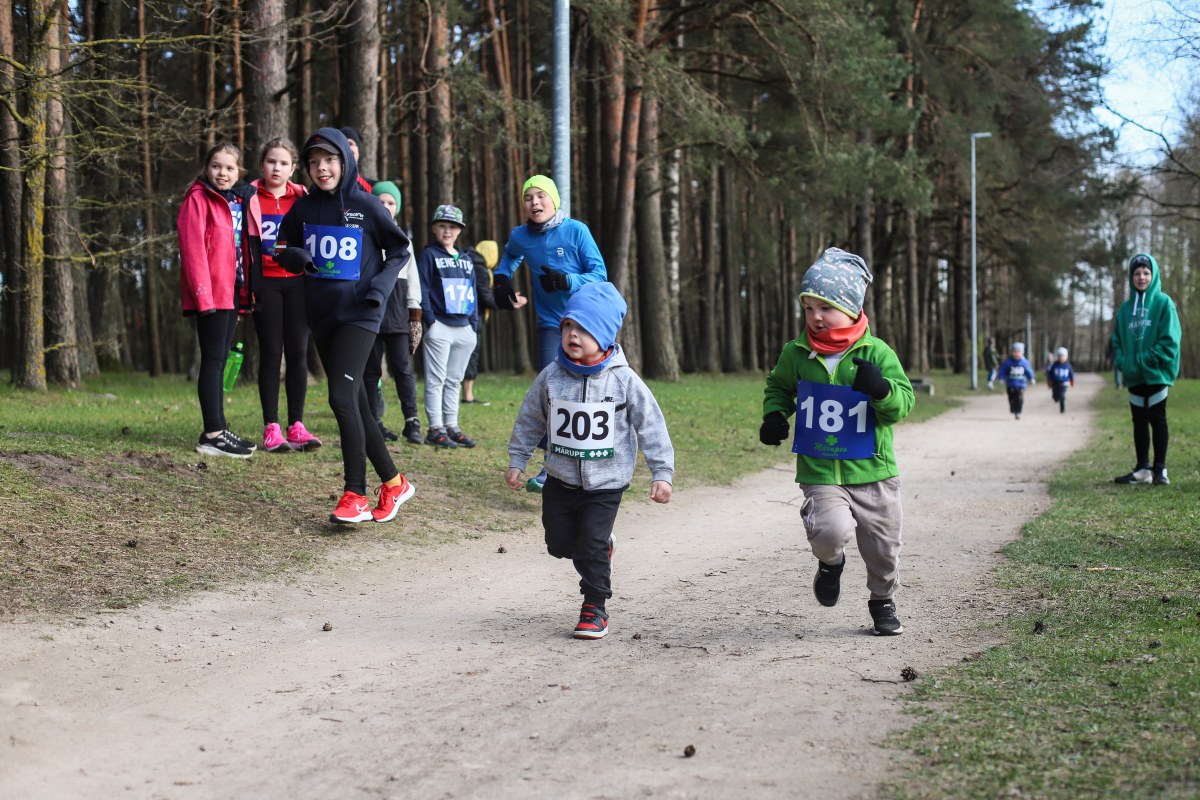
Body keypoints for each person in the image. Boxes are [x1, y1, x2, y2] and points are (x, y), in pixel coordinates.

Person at [505, 282, 674, 639]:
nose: (573, 335)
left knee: (591, 546)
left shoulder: (624, 380)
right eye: (568, 325)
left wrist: (662, 472)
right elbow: (530, 419)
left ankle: (595, 607)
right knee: (559, 544)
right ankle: (599, 547)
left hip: (606, 485)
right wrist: (518, 459)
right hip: (559, 480)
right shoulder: (550, 376)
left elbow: (651, 425)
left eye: (584, 329)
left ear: (606, 336)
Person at [759, 248, 914, 637]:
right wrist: (775, 416)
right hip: (821, 468)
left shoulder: (876, 352)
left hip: (874, 469)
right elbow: (778, 387)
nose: (815, 316)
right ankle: (831, 563)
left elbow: (903, 402)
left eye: (825, 307)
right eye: (809, 308)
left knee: (883, 548)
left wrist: (880, 389)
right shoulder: (796, 354)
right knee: (828, 531)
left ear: (850, 307)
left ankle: (882, 600)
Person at [274, 128, 416, 523]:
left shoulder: (367, 205)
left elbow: (400, 249)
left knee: (340, 398)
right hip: (321, 314)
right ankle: (394, 483)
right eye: (315, 162)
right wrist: (298, 258)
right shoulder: (302, 209)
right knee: (353, 402)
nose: (322, 169)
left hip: (362, 312)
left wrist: (379, 289)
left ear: (346, 162)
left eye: (330, 160)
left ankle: (354, 493)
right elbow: (280, 248)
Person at [493, 175, 606, 491]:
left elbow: (600, 274)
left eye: (541, 196)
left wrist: (566, 281)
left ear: (554, 200)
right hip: (550, 324)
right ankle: (550, 468)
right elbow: (510, 255)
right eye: (528, 197)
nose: (535, 203)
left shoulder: (576, 231)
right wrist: (501, 280)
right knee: (551, 391)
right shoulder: (521, 235)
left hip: (586, 322)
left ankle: (588, 465)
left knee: (583, 394)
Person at [178, 142, 258, 459]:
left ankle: (219, 427)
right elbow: (194, 251)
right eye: (216, 166)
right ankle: (211, 435)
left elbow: (235, 253)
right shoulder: (198, 199)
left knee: (221, 360)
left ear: (238, 172)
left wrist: (239, 297)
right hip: (209, 295)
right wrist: (204, 298)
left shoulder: (232, 200)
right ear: (206, 168)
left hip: (229, 294)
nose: (222, 172)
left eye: (229, 168)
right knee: (212, 361)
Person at [246, 137, 322, 453]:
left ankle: (296, 426)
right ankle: (272, 427)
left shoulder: (303, 197)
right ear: (262, 164)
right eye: (270, 161)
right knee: (271, 353)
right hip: (267, 283)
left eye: (283, 163)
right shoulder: (248, 197)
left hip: (298, 283)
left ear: (293, 168)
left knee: (297, 353)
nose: (276, 168)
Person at [361, 180, 425, 445]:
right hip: (371, 310)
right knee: (370, 370)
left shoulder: (404, 240)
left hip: (398, 312)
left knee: (402, 369)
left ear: (397, 208)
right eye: (381, 201)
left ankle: (412, 421)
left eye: (390, 203)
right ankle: (373, 422)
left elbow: (413, 279)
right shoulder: (365, 235)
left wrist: (415, 317)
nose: (385, 207)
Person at [1112, 253, 1180, 486]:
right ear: (1131, 277)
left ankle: (1159, 470)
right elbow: (1117, 343)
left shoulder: (1163, 302)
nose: (1141, 277)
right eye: (1137, 273)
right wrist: (1126, 363)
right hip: (1134, 375)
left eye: (1146, 273)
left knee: (1157, 418)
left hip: (1157, 372)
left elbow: (1170, 341)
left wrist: (1144, 361)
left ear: (1154, 275)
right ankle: (1143, 469)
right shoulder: (1125, 309)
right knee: (1138, 420)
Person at [417, 205, 481, 449]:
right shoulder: (429, 255)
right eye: (442, 225)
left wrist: (472, 325)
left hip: (464, 327)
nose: (447, 230)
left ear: (459, 231)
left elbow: (473, 291)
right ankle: (435, 428)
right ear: (434, 228)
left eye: (452, 227)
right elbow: (423, 287)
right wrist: (430, 321)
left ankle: (452, 426)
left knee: (454, 379)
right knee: (436, 379)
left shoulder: (465, 259)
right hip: (440, 326)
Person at [461, 239, 502, 406]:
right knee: (471, 355)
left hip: (463, 315)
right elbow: (485, 297)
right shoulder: (480, 268)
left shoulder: (468, 261)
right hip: (473, 317)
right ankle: (467, 396)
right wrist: (506, 303)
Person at [998, 343, 1035, 420]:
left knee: (1019, 398)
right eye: (1015, 352)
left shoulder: (1024, 362)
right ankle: (1013, 407)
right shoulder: (1008, 362)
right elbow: (1003, 370)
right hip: (1010, 384)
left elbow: (1029, 371)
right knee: (1011, 398)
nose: (1016, 354)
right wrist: (1001, 378)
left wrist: (1031, 378)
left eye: (1018, 352)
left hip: (1021, 384)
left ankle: (1018, 411)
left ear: (1022, 353)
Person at [339, 127, 375, 191]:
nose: (347, 148)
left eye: (350, 143)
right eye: (343, 144)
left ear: (358, 150)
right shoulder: (321, 187)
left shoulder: (374, 189)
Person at [1045, 346, 1075, 414]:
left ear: (1066, 357)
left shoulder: (1068, 365)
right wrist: (1049, 380)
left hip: (1064, 383)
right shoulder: (1055, 365)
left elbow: (1071, 374)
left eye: (1062, 356)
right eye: (1059, 356)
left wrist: (1072, 381)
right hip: (1055, 383)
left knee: (1062, 395)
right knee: (1055, 396)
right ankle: (1056, 398)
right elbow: (1050, 373)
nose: (1061, 358)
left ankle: (1062, 409)